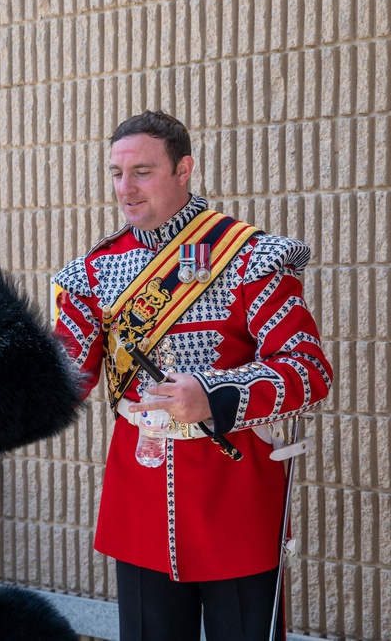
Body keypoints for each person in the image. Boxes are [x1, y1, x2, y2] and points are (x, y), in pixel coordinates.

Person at [52, 110, 332, 640]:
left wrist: (213, 394)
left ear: (184, 169)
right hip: (141, 501)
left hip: (236, 500)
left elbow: (308, 370)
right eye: (116, 173)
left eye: (142, 171)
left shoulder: (251, 256)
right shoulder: (92, 271)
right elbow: (64, 377)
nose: (125, 189)